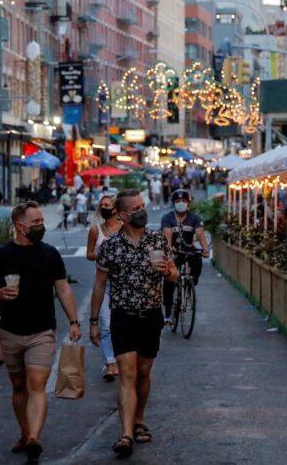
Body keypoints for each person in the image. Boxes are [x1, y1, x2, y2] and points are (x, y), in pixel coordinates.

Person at [0, 202, 81, 462]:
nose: (41, 226)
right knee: (18, 385)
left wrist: (74, 321)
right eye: (35, 222)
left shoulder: (50, 254)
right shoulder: (0, 255)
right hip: (10, 331)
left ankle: (34, 438)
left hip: (42, 331)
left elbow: (64, 289)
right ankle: (25, 434)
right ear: (20, 226)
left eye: (41, 221)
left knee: (36, 384)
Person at [89, 190, 178, 457]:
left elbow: (173, 275)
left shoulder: (157, 240)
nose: (142, 210)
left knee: (143, 374)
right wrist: (93, 321)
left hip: (151, 315)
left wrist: (166, 271)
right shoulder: (110, 246)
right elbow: (99, 284)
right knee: (126, 375)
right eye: (137, 207)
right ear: (124, 214)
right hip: (123, 316)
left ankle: (139, 419)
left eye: (143, 206)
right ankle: (126, 433)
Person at [160, 189, 210, 328]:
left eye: (184, 201)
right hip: (173, 252)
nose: (181, 203)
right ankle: (168, 311)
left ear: (188, 203)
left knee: (196, 265)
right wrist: (169, 251)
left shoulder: (195, 218)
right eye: (177, 201)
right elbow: (167, 235)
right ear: (173, 203)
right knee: (169, 280)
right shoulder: (167, 218)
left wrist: (205, 249)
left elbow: (200, 235)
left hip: (189, 251)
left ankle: (189, 286)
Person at [86, 195, 122, 381]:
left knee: (122, 325)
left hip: (124, 284)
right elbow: (89, 254)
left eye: (108, 204)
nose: (105, 207)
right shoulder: (95, 230)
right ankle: (110, 363)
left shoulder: (124, 229)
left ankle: (123, 359)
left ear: (116, 208)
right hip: (103, 283)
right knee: (106, 324)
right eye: (102, 205)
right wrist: (98, 254)